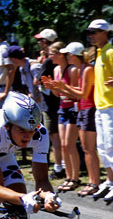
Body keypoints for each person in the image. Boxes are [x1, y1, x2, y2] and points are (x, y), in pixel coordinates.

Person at [43, 42, 100, 196]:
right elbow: (62, 93)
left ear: (73, 55)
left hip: (78, 108)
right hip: (69, 108)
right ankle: (72, 178)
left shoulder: (80, 69)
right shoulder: (76, 69)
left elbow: (79, 94)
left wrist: (62, 87)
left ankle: (84, 180)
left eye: (68, 54)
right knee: (64, 146)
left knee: (77, 146)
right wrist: (55, 87)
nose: (66, 56)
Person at [87, 19, 113, 200]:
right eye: (90, 33)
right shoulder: (99, 52)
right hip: (102, 106)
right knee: (102, 147)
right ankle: (110, 180)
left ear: (104, 32)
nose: (91, 36)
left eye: (95, 32)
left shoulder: (111, 53)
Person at [42, 42, 80, 192]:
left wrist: (61, 87)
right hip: (62, 108)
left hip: (72, 108)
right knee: (63, 145)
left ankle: (75, 178)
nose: (50, 57)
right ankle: (68, 177)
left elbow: (76, 93)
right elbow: (58, 95)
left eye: (52, 53)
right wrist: (52, 88)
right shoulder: (57, 69)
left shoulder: (72, 70)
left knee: (69, 144)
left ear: (59, 54)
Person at [33, 28, 64, 179]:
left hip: (50, 102)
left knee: (54, 136)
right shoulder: (49, 59)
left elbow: (36, 80)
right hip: (54, 100)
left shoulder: (48, 60)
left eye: (40, 40)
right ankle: (61, 164)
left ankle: (59, 166)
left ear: (46, 42)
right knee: (57, 136)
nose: (38, 43)